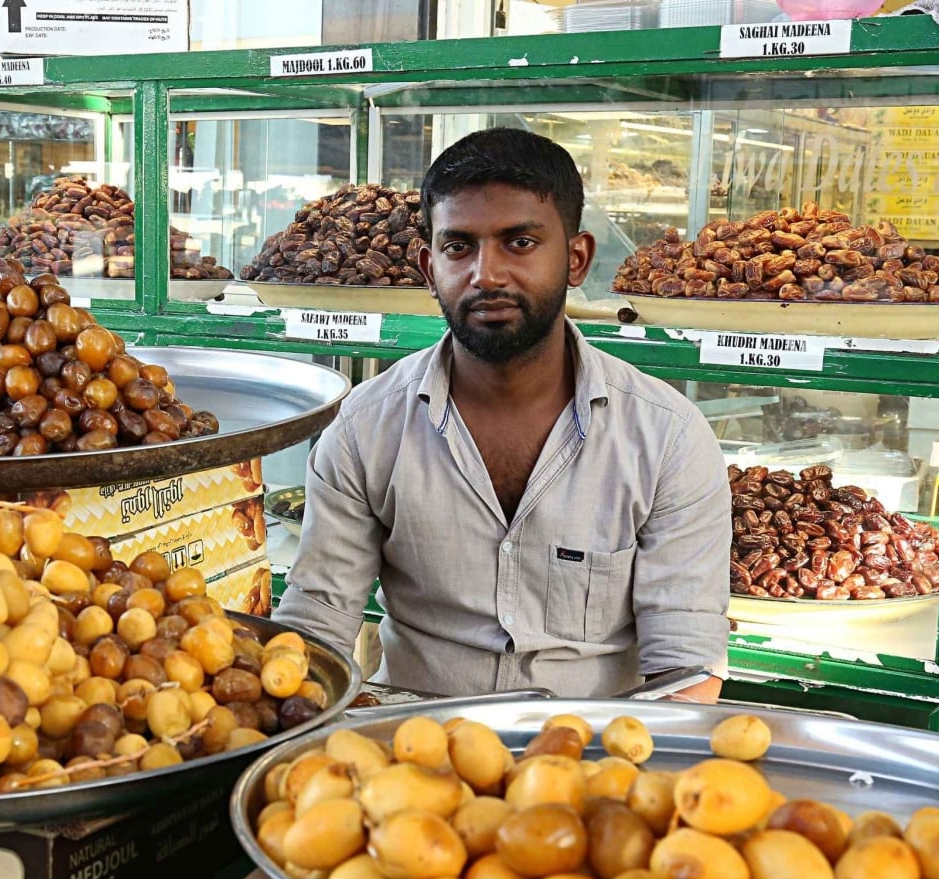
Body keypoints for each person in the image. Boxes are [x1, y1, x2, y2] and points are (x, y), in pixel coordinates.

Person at [273, 127, 730, 701]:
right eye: (459, 246)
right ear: (428, 264)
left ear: (577, 258)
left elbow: (686, 668)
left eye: (520, 243)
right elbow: (316, 626)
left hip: (593, 756)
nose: (485, 274)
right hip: (412, 748)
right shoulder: (366, 428)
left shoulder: (667, 437)